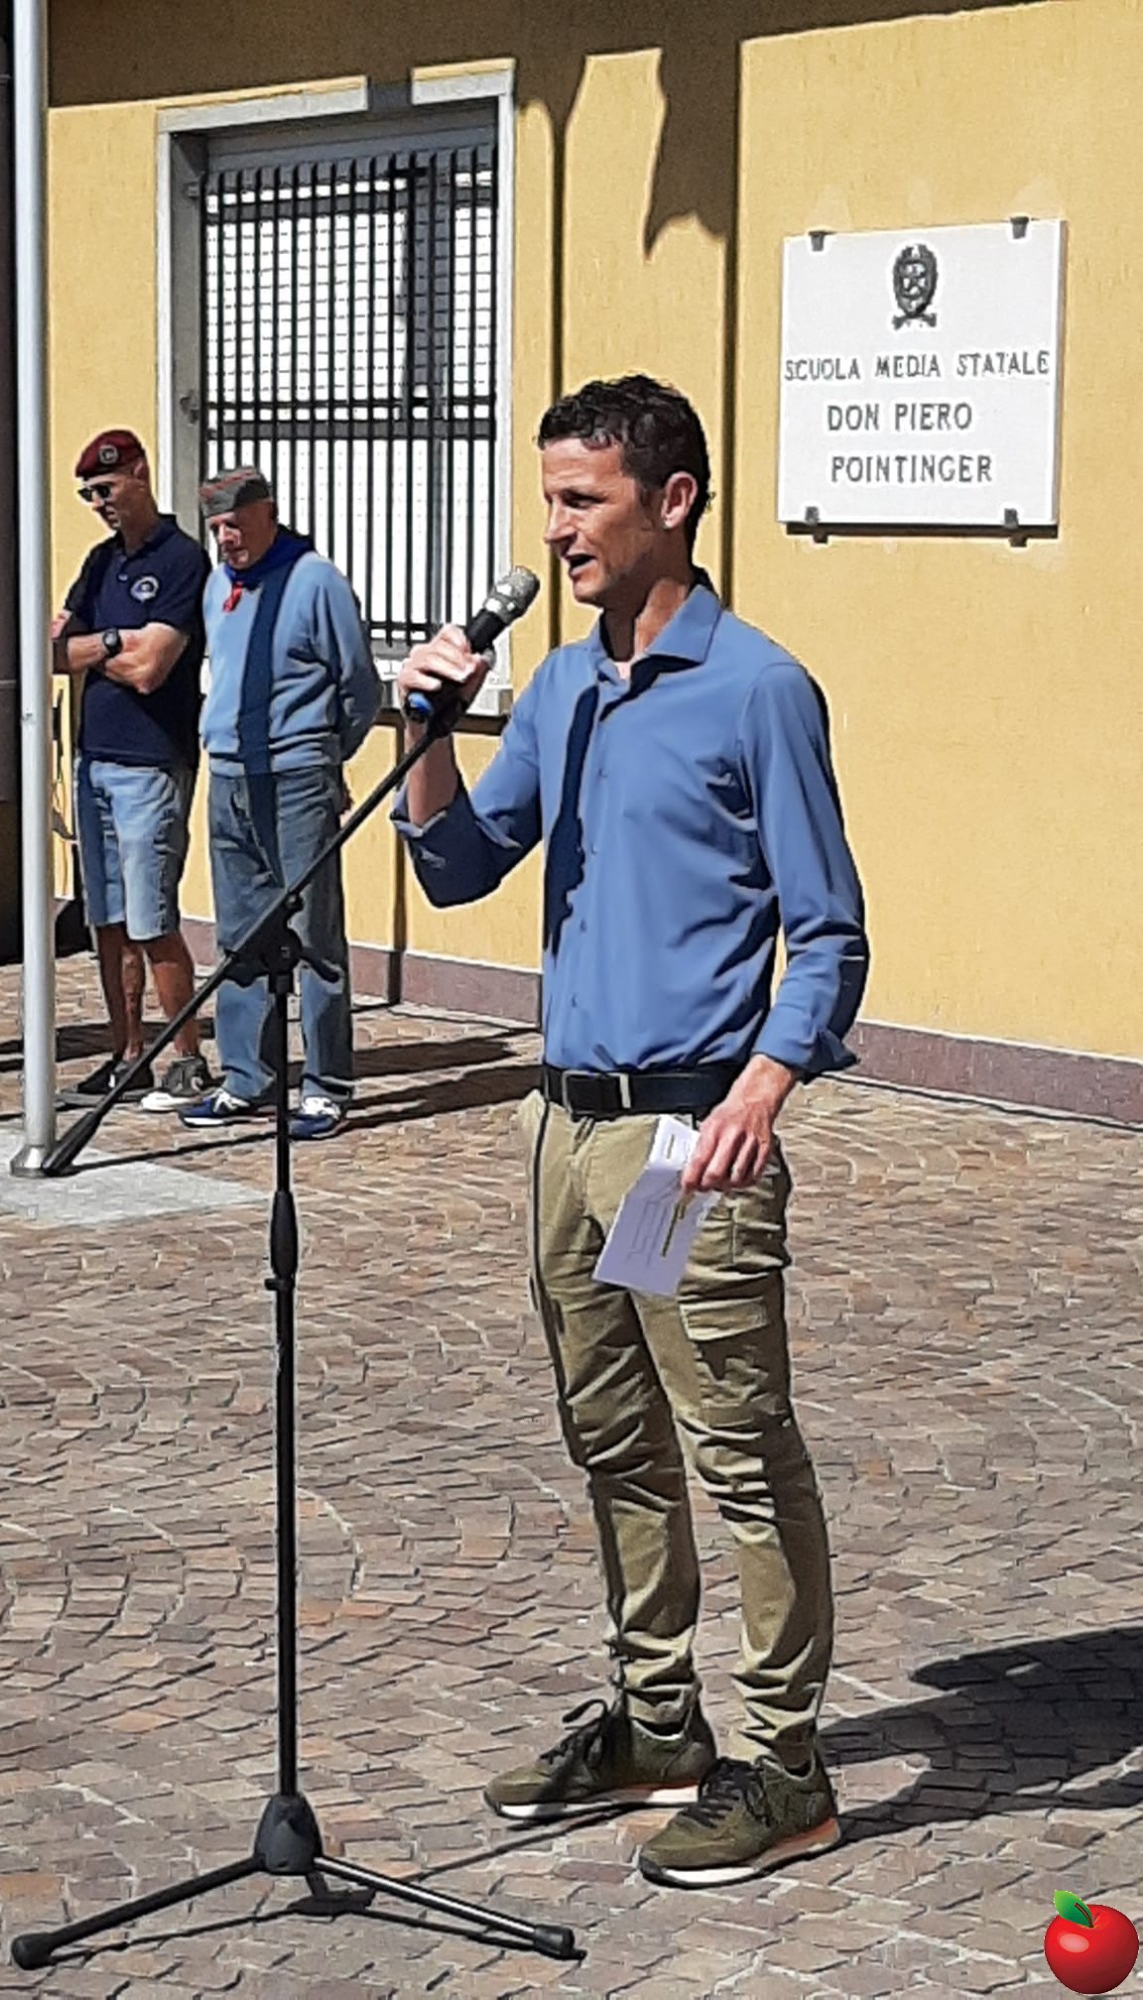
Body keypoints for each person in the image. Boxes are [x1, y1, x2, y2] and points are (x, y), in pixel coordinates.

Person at [393, 374, 869, 1888]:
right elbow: (461, 864)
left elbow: (831, 934)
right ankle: (658, 1721)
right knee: (610, 1437)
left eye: (581, 500)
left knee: (738, 1446)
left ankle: (787, 1764)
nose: (556, 530)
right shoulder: (561, 688)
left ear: (673, 501)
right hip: (567, 1128)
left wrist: (762, 1088)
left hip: (687, 1139)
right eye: (549, 500)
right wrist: (426, 730)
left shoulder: (759, 690)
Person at [180, 468, 381, 1142]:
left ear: (267, 514)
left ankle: (326, 1086)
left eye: (236, 525)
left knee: (314, 937)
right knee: (240, 937)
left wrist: (325, 757)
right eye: (216, 529)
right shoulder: (219, 584)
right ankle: (248, 1078)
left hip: (295, 777)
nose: (227, 539)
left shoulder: (315, 580)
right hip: (230, 775)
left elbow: (358, 686)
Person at [52, 429, 212, 1111]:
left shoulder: (181, 560)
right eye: (89, 494)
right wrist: (116, 639)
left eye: (107, 489)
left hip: (151, 763)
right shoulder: (100, 562)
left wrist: (96, 651)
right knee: (108, 922)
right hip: (94, 760)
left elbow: (153, 669)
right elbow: (52, 651)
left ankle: (187, 1058)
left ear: (140, 473)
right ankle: (127, 1055)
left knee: (151, 919)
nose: (99, 504)